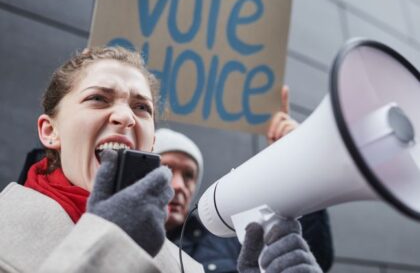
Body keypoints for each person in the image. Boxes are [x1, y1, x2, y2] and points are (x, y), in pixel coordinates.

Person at [0, 47, 203, 273]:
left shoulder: (188, 268)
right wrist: (111, 243)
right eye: (98, 98)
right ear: (50, 131)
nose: (126, 117)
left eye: (141, 107)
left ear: (152, 142)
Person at [155, 86, 333, 273]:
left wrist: (294, 164)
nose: (179, 185)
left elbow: (312, 254)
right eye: (166, 169)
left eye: (188, 176)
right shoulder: (122, 233)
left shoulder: (229, 239)